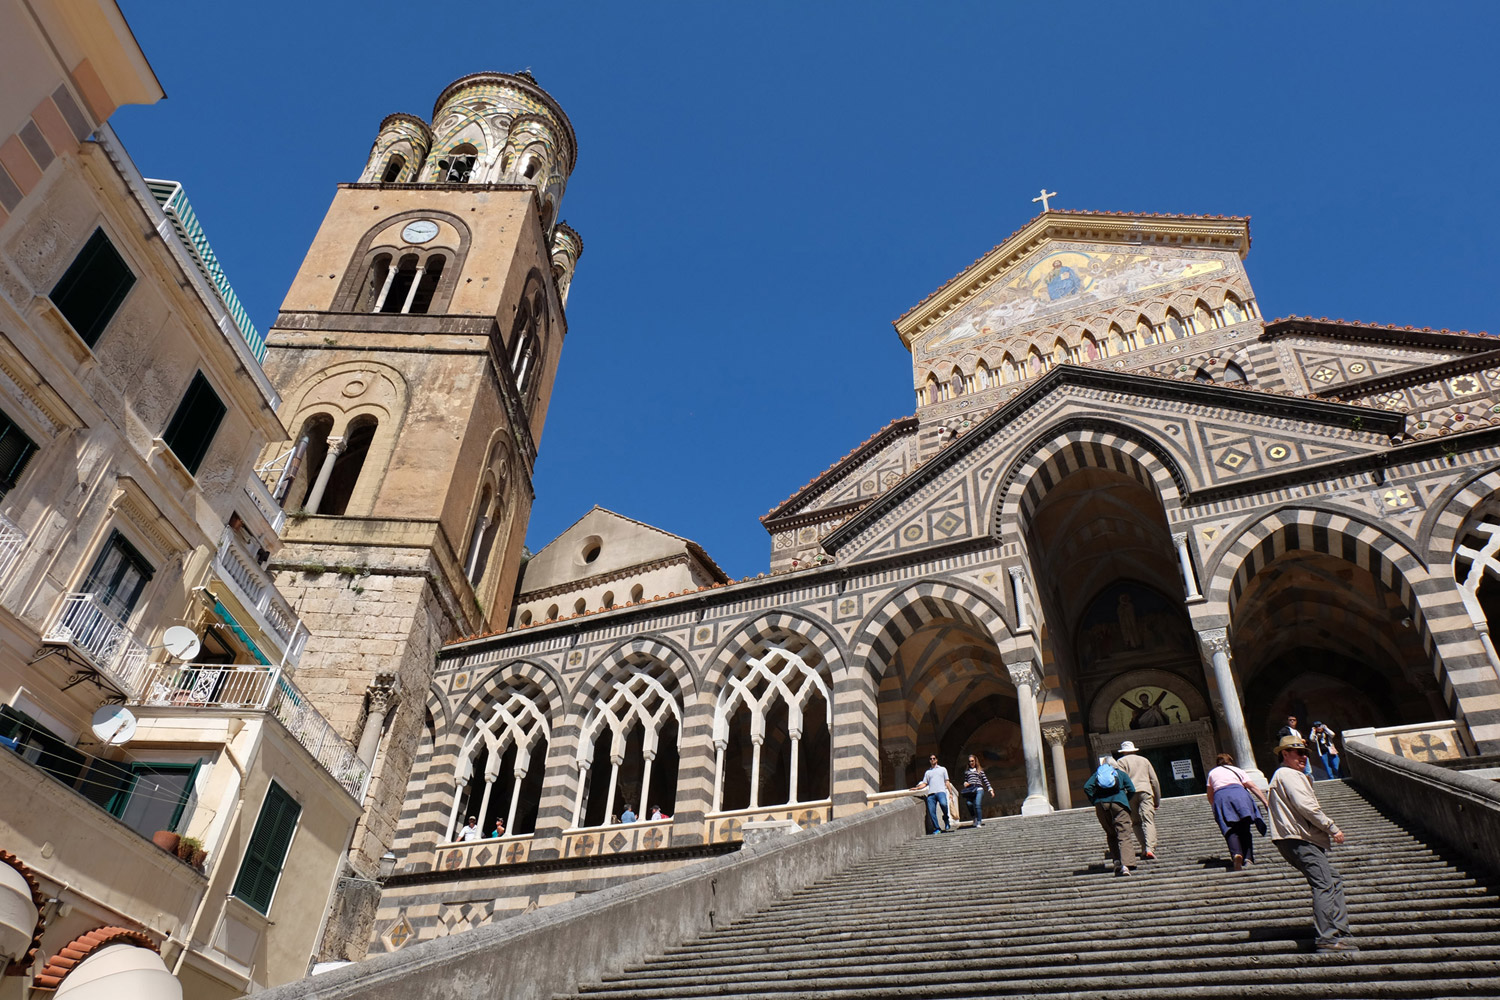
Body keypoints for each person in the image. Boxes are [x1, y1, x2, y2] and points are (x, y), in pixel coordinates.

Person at [1268, 734, 1355, 952]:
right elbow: (1306, 806)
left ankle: (1339, 928)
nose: (1304, 757)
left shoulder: (1285, 775)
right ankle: (1327, 938)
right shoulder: (1289, 774)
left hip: (1294, 839)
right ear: (1285, 754)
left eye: (1305, 753)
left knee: (1333, 879)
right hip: (1299, 838)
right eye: (1298, 752)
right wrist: (1332, 827)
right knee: (1324, 883)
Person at [1206, 752, 1267, 871]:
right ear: (1231, 761)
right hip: (1240, 795)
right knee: (1245, 829)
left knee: (1230, 829)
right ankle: (1248, 858)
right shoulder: (1237, 770)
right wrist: (1265, 801)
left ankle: (1236, 854)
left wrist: (1215, 807)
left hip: (1222, 797)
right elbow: (1252, 786)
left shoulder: (1212, 773)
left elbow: (1210, 794)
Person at [1083, 757, 1138, 875]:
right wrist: (1124, 801)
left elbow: (1087, 787)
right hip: (1119, 804)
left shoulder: (1097, 774)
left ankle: (1117, 861)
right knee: (1124, 834)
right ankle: (1126, 865)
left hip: (1102, 805)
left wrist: (1095, 800)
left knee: (1111, 833)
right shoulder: (1120, 774)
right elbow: (1132, 789)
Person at [1115, 740, 1162, 859]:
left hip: (1129, 794)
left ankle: (1143, 847)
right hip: (1145, 791)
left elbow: (1120, 781)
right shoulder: (1144, 760)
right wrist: (1157, 799)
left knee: (1136, 822)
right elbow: (1154, 781)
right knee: (1148, 820)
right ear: (1134, 750)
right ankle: (1150, 848)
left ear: (1123, 752)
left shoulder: (1120, 762)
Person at [912, 753, 954, 834]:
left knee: (944, 804)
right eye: (931, 759)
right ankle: (937, 828)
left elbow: (947, 781)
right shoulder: (928, 772)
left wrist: (951, 793)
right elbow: (924, 783)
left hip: (941, 792)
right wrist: (916, 788)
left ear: (937, 760)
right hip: (931, 794)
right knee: (932, 812)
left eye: (934, 758)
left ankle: (946, 818)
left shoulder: (943, 769)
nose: (932, 760)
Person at [960, 753, 994, 828]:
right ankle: (974, 818)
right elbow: (966, 781)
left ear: (975, 761)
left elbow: (985, 780)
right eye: (970, 761)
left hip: (979, 789)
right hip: (970, 790)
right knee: (969, 804)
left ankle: (979, 821)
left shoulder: (980, 771)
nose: (971, 763)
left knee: (977, 804)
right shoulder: (967, 772)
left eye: (972, 761)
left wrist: (990, 789)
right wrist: (965, 783)